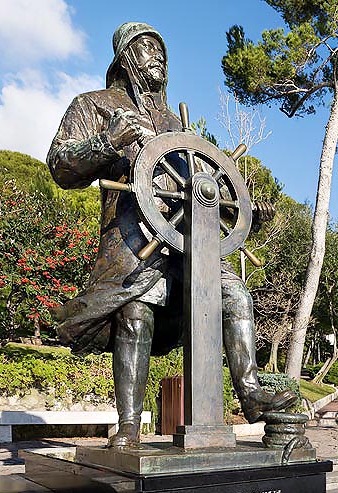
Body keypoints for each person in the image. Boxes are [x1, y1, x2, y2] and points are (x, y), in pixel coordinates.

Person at [47, 22, 295, 448]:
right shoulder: (93, 105)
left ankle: (250, 393)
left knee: (234, 294)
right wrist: (107, 143)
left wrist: (248, 212)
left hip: (186, 242)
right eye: (146, 48)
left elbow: (204, 185)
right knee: (136, 312)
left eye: (161, 49)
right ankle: (128, 426)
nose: (158, 56)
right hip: (131, 243)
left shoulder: (173, 123)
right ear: (125, 58)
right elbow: (59, 163)